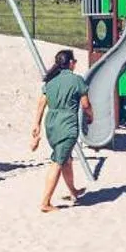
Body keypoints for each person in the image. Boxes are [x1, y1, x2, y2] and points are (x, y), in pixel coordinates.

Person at [29, 49, 92, 213]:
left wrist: (36, 124)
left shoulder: (50, 81)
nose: (75, 63)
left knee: (66, 159)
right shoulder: (77, 80)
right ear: (70, 62)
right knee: (58, 161)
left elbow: (41, 104)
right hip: (67, 125)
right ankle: (45, 202)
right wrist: (91, 117)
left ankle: (73, 191)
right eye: (75, 61)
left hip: (51, 125)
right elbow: (85, 105)